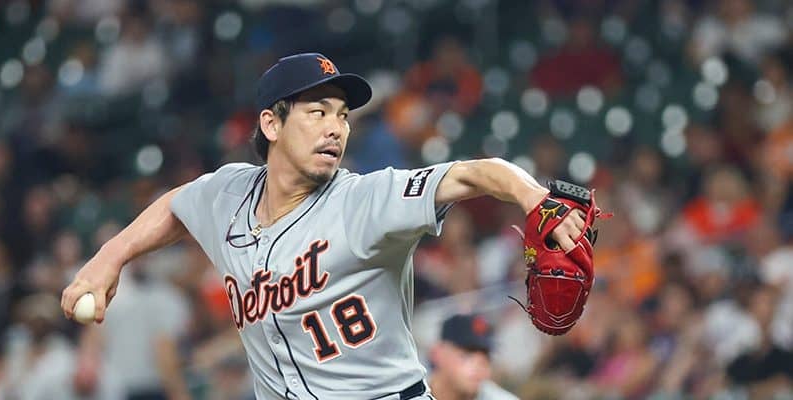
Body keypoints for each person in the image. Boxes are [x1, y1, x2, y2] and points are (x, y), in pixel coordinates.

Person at [61, 52, 590, 399]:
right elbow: (177, 205)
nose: (336, 127)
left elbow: (475, 172)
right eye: (317, 112)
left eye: (342, 115)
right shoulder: (227, 195)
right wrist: (110, 258)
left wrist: (532, 196)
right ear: (272, 123)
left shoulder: (366, 200)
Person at [427, 314, 519, 400]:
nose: (480, 366)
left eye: (486, 358)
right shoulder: (418, 388)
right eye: (468, 354)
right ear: (437, 353)